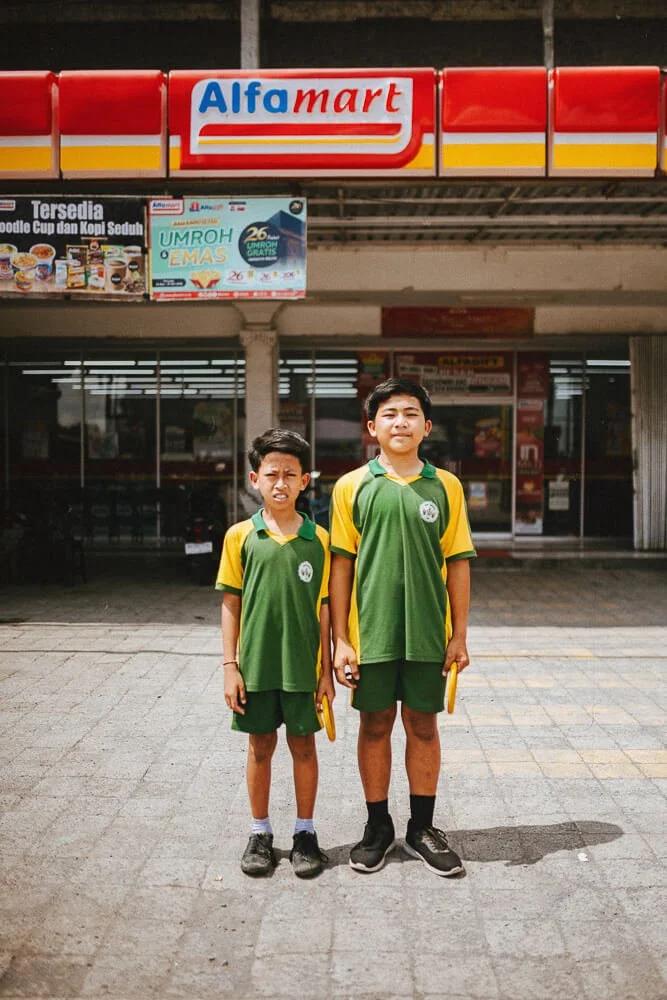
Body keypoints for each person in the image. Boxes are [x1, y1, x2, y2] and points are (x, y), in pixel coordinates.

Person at [329, 378, 476, 877]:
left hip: (427, 635)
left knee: (422, 725)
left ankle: (422, 828)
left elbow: (457, 562)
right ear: (372, 427)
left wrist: (458, 635)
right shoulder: (352, 486)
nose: (400, 422)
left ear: (427, 427)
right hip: (371, 633)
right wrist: (341, 640)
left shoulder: (446, 486)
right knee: (374, 726)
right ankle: (377, 826)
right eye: (389, 414)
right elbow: (342, 566)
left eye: (411, 413)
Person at [217, 429, 333, 878]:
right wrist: (231, 667)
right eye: (271, 474)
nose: (280, 483)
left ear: (305, 480)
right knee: (259, 746)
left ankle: (305, 832)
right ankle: (260, 832)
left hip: (303, 669)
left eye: (290, 474)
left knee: (304, 746)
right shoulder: (240, 537)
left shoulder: (319, 539)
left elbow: (325, 608)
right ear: (254, 479)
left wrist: (325, 670)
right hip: (257, 668)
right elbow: (231, 604)